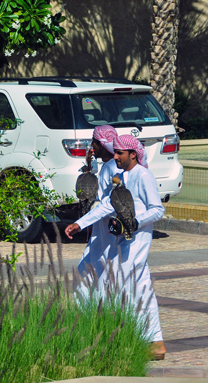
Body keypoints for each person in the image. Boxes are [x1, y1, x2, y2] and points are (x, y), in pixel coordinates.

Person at [66, 134, 166, 360]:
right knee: (136, 286)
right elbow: (106, 206)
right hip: (121, 239)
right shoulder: (119, 175)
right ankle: (152, 342)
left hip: (138, 239)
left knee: (126, 283)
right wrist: (79, 224)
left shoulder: (144, 175)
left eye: (120, 153)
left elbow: (157, 209)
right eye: (116, 152)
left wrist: (135, 222)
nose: (116, 156)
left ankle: (135, 339)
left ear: (133, 154)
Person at [75, 125, 121, 292]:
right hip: (100, 225)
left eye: (94, 143)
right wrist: (89, 163)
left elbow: (111, 203)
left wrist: (81, 223)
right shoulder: (108, 165)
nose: (91, 147)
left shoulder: (115, 168)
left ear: (102, 144)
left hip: (110, 225)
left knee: (105, 267)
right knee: (90, 267)